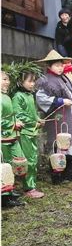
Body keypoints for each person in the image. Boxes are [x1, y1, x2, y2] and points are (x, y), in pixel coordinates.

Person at [35, 51, 72, 184]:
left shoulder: (65, 78)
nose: (60, 67)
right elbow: (41, 98)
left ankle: (70, 173)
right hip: (57, 116)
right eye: (56, 65)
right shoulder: (44, 80)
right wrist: (60, 101)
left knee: (71, 141)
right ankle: (57, 176)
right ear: (49, 66)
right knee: (58, 142)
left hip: (69, 114)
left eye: (61, 65)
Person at [12, 70, 45, 198]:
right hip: (24, 132)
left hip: (31, 131)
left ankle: (30, 185)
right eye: (29, 81)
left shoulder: (30, 95)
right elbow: (18, 115)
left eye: (33, 81)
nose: (32, 84)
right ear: (21, 82)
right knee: (28, 160)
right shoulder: (17, 96)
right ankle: (29, 188)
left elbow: (33, 112)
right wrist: (33, 122)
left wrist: (38, 119)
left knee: (33, 158)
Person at [1, 71, 26, 206]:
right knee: (4, 165)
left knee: (16, 162)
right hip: (3, 137)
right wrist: (13, 124)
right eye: (4, 79)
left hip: (11, 135)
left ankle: (10, 190)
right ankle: (4, 196)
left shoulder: (6, 97)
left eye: (8, 79)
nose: (7, 82)